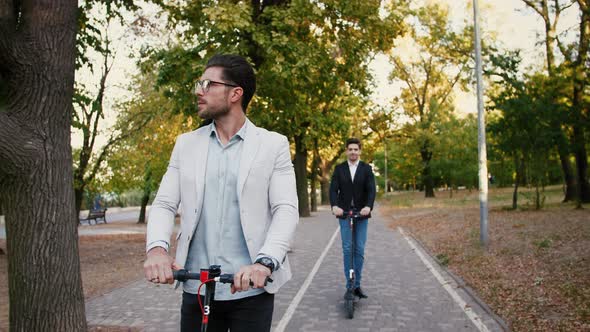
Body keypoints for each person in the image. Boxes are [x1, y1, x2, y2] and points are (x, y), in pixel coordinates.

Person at [143, 54, 299, 332]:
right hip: (197, 287)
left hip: (251, 288)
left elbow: (285, 209)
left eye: (208, 84)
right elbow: (165, 203)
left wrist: (264, 263)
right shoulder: (186, 144)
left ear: (235, 93)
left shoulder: (273, 145)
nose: (199, 91)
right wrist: (157, 250)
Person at [329, 138, 376, 299]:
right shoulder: (339, 169)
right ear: (346, 151)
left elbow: (371, 190)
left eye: (356, 149)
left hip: (361, 215)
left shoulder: (366, 169)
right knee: (348, 249)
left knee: (359, 250)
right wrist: (334, 206)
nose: (353, 152)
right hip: (344, 213)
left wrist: (368, 206)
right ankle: (349, 286)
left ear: (360, 151)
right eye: (350, 149)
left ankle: (357, 285)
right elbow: (333, 190)